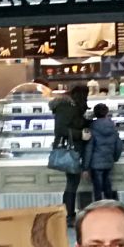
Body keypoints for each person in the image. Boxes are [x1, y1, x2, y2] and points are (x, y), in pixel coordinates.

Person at [51, 82, 91, 227]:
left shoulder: (69, 106)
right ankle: (68, 215)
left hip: (74, 149)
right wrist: (80, 134)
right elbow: (61, 129)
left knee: (72, 182)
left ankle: (68, 214)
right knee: (72, 183)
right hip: (71, 150)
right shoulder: (68, 107)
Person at [84, 103, 123, 204]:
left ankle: (98, 209)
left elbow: (89, 148)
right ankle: (110, 207)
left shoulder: (92, 127)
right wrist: (115, 157)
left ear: (95, 114)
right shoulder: (112, 127)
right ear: (106, 113)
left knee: (97, 188)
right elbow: (118, 145)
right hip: (108, 161)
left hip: (95, 163)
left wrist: (85, 166)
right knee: (107, 185)